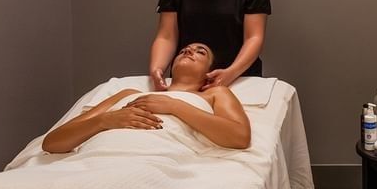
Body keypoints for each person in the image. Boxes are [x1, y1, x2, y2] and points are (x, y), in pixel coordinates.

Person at [44, 43, 251, 153]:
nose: (189, 50)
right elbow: (52, 143)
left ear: (210, 72)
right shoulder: (129, 94)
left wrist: (174, 106)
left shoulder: (214, 94)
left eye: (201, 52)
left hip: (160, 161)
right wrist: (104, 121)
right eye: (183, 50)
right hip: (97, 159)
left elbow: (239, 137)